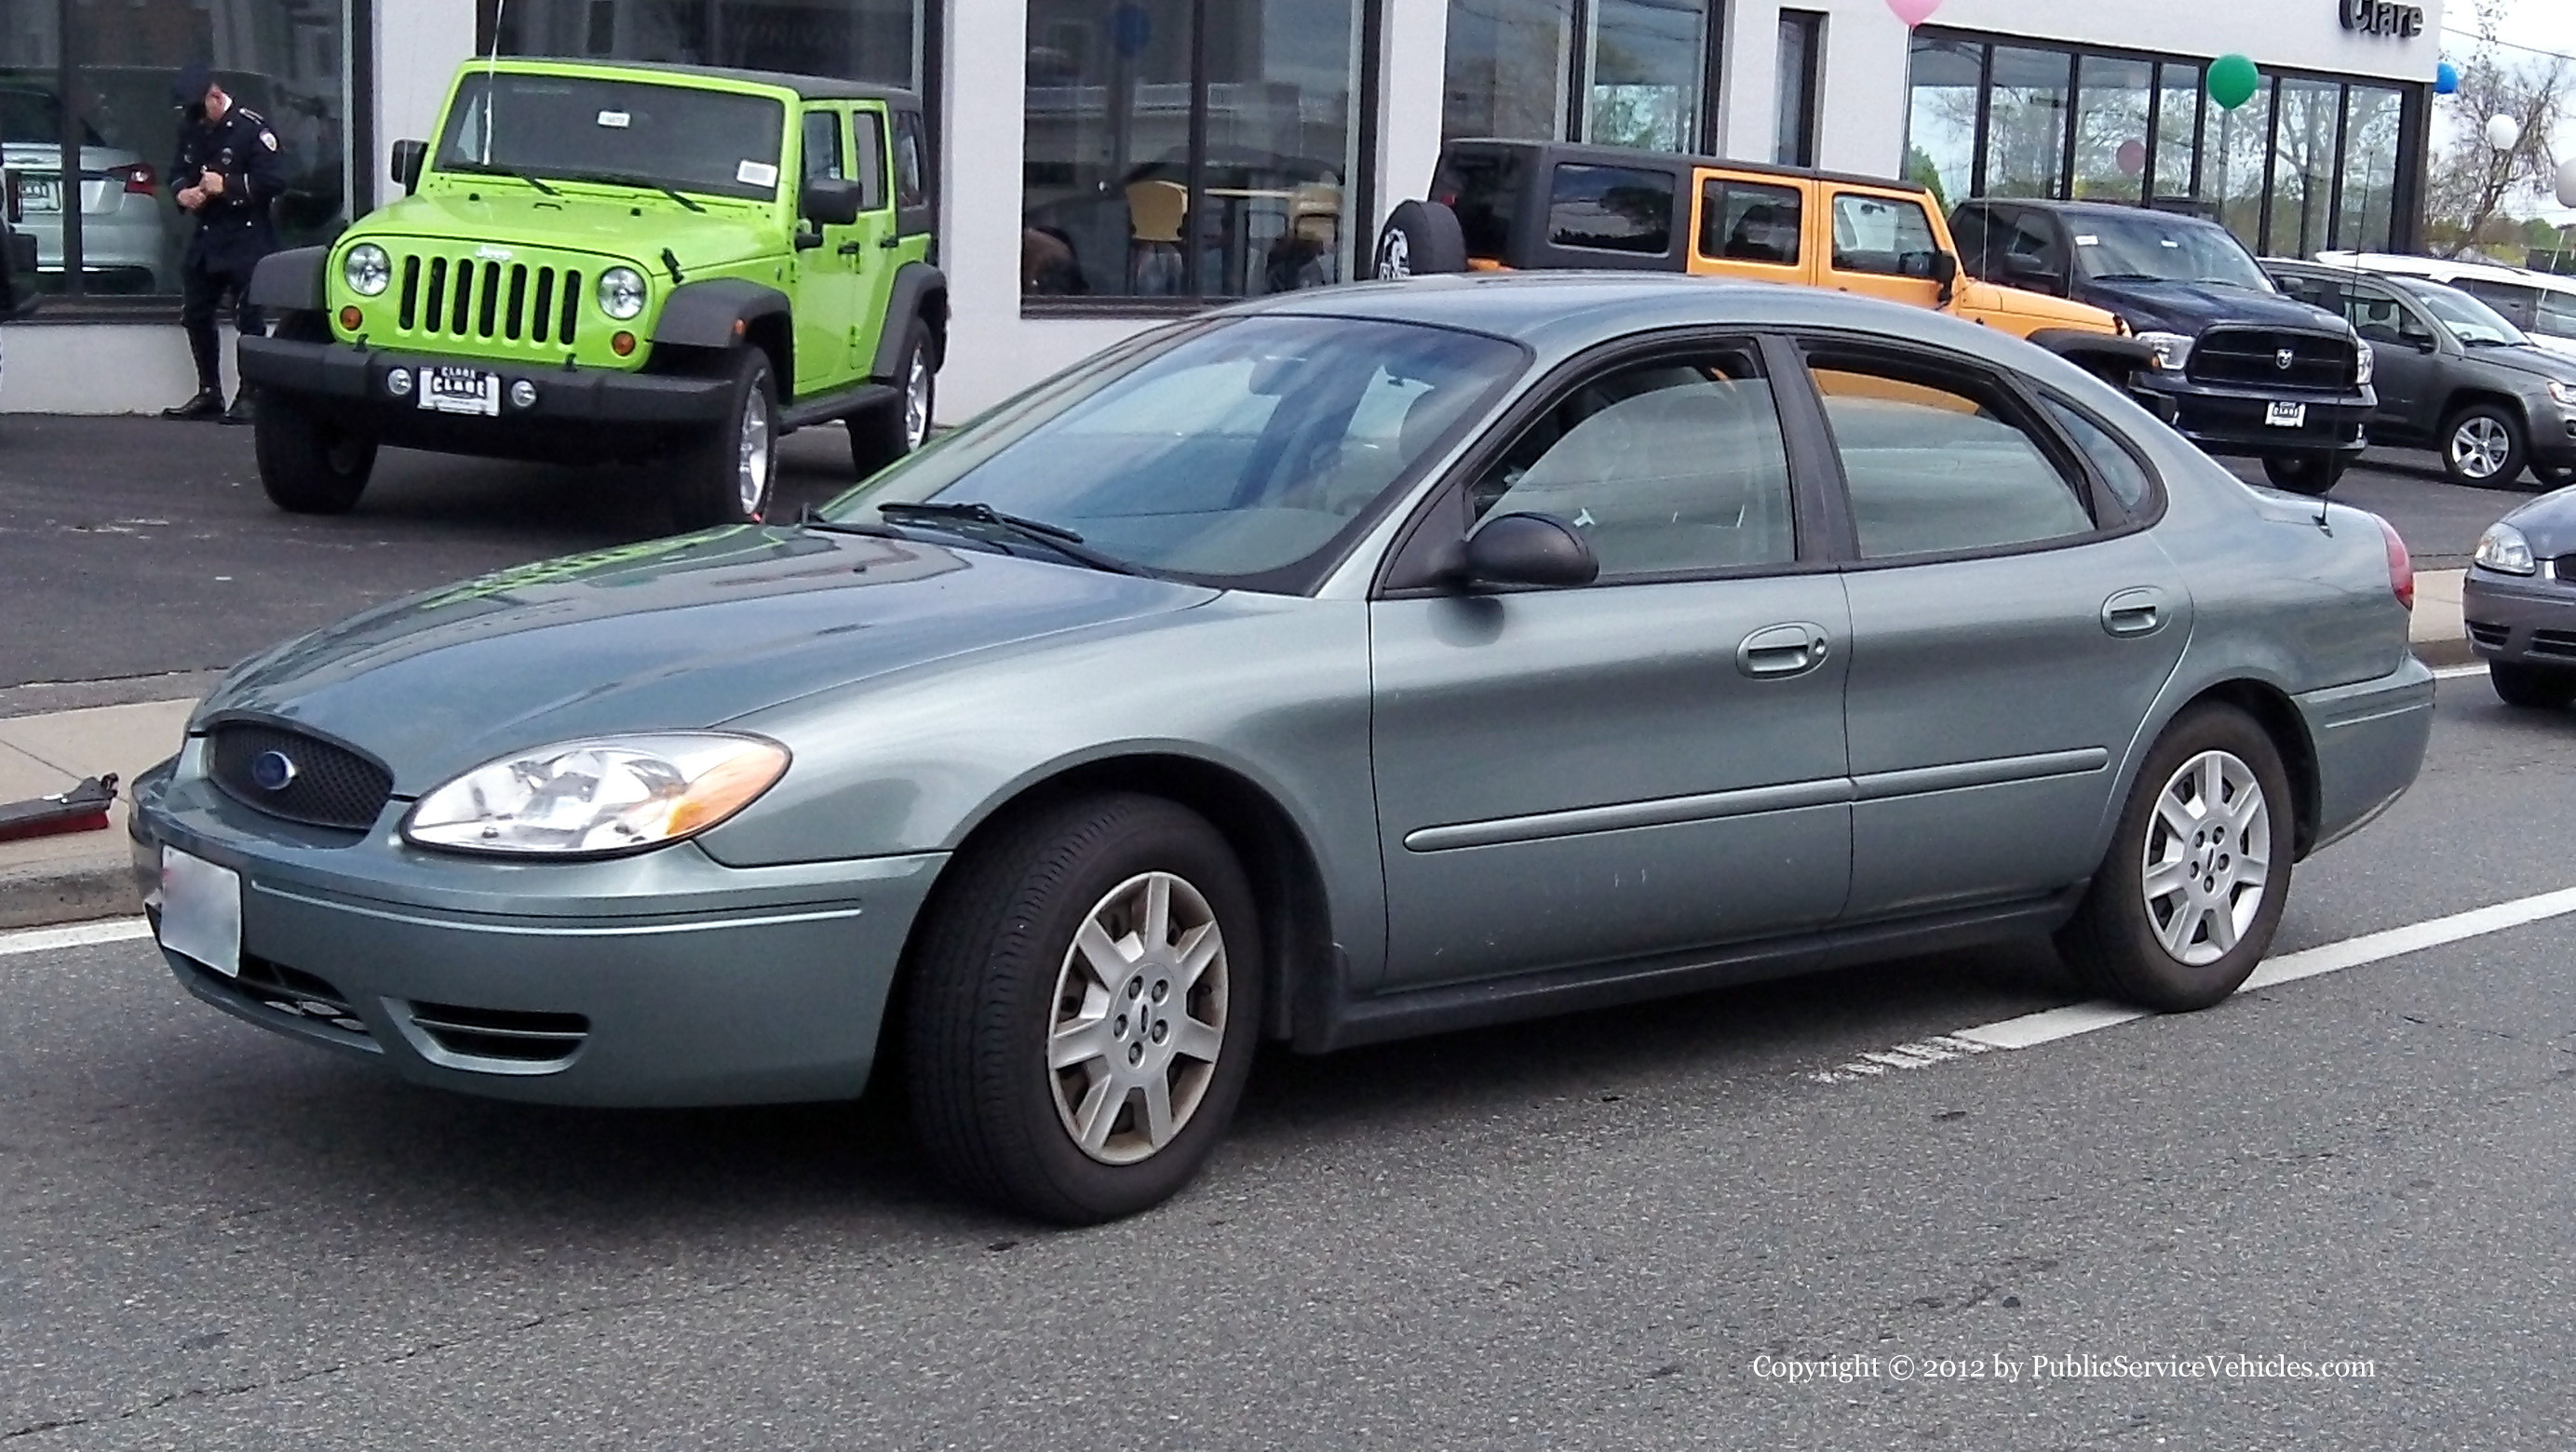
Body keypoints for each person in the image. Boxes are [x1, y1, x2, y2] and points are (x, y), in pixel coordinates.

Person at [160, 64, 284, 424]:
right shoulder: (192, 128)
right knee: (196, 311)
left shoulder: (252, 128)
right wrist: (182, 193)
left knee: (249, 317)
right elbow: (176, 172)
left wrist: (227, 185)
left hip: (247, 234)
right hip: (209, 233)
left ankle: (250, 396)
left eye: (200, 110)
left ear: (215, 96)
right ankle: (209, 391)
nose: (197, 119)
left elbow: (274, 181)